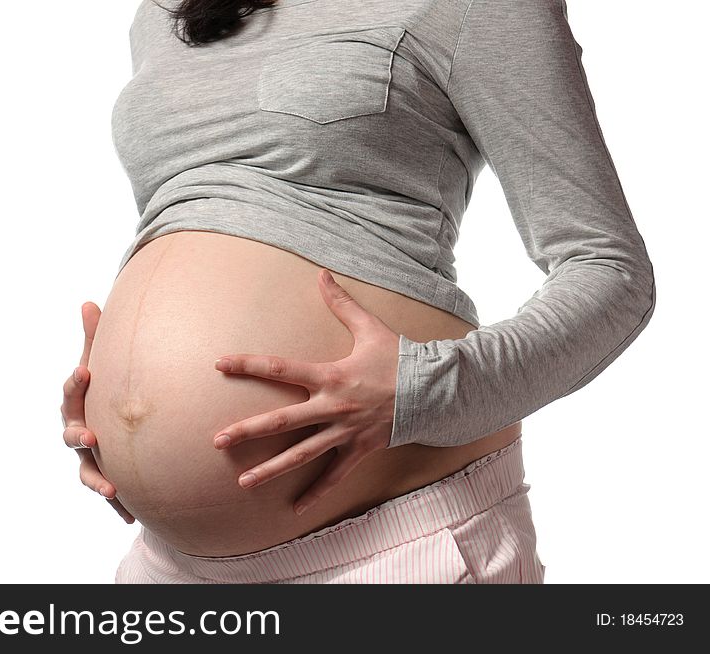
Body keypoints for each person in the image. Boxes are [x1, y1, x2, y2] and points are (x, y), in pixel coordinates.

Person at [59, 0, 656, 583]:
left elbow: (610, 269)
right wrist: (121, 405)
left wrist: (429, 389)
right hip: (168, 565)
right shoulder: (167, 12)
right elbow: (203, 213)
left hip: (398, 544)